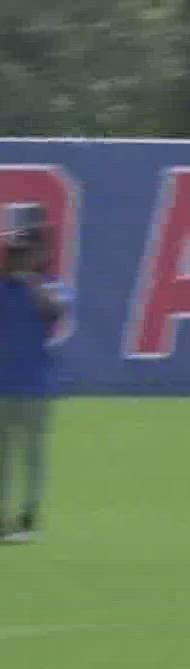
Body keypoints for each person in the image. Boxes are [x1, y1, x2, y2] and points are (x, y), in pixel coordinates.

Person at [0, 221, 72, 544]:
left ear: (39, 254)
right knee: (3, 456)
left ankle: (28, 517)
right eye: (13, 253)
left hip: (33, 387)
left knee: (32, 454)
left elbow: (54, 312)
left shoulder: (53, 288)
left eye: (23, 252)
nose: (15, 259)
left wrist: (31, 280)